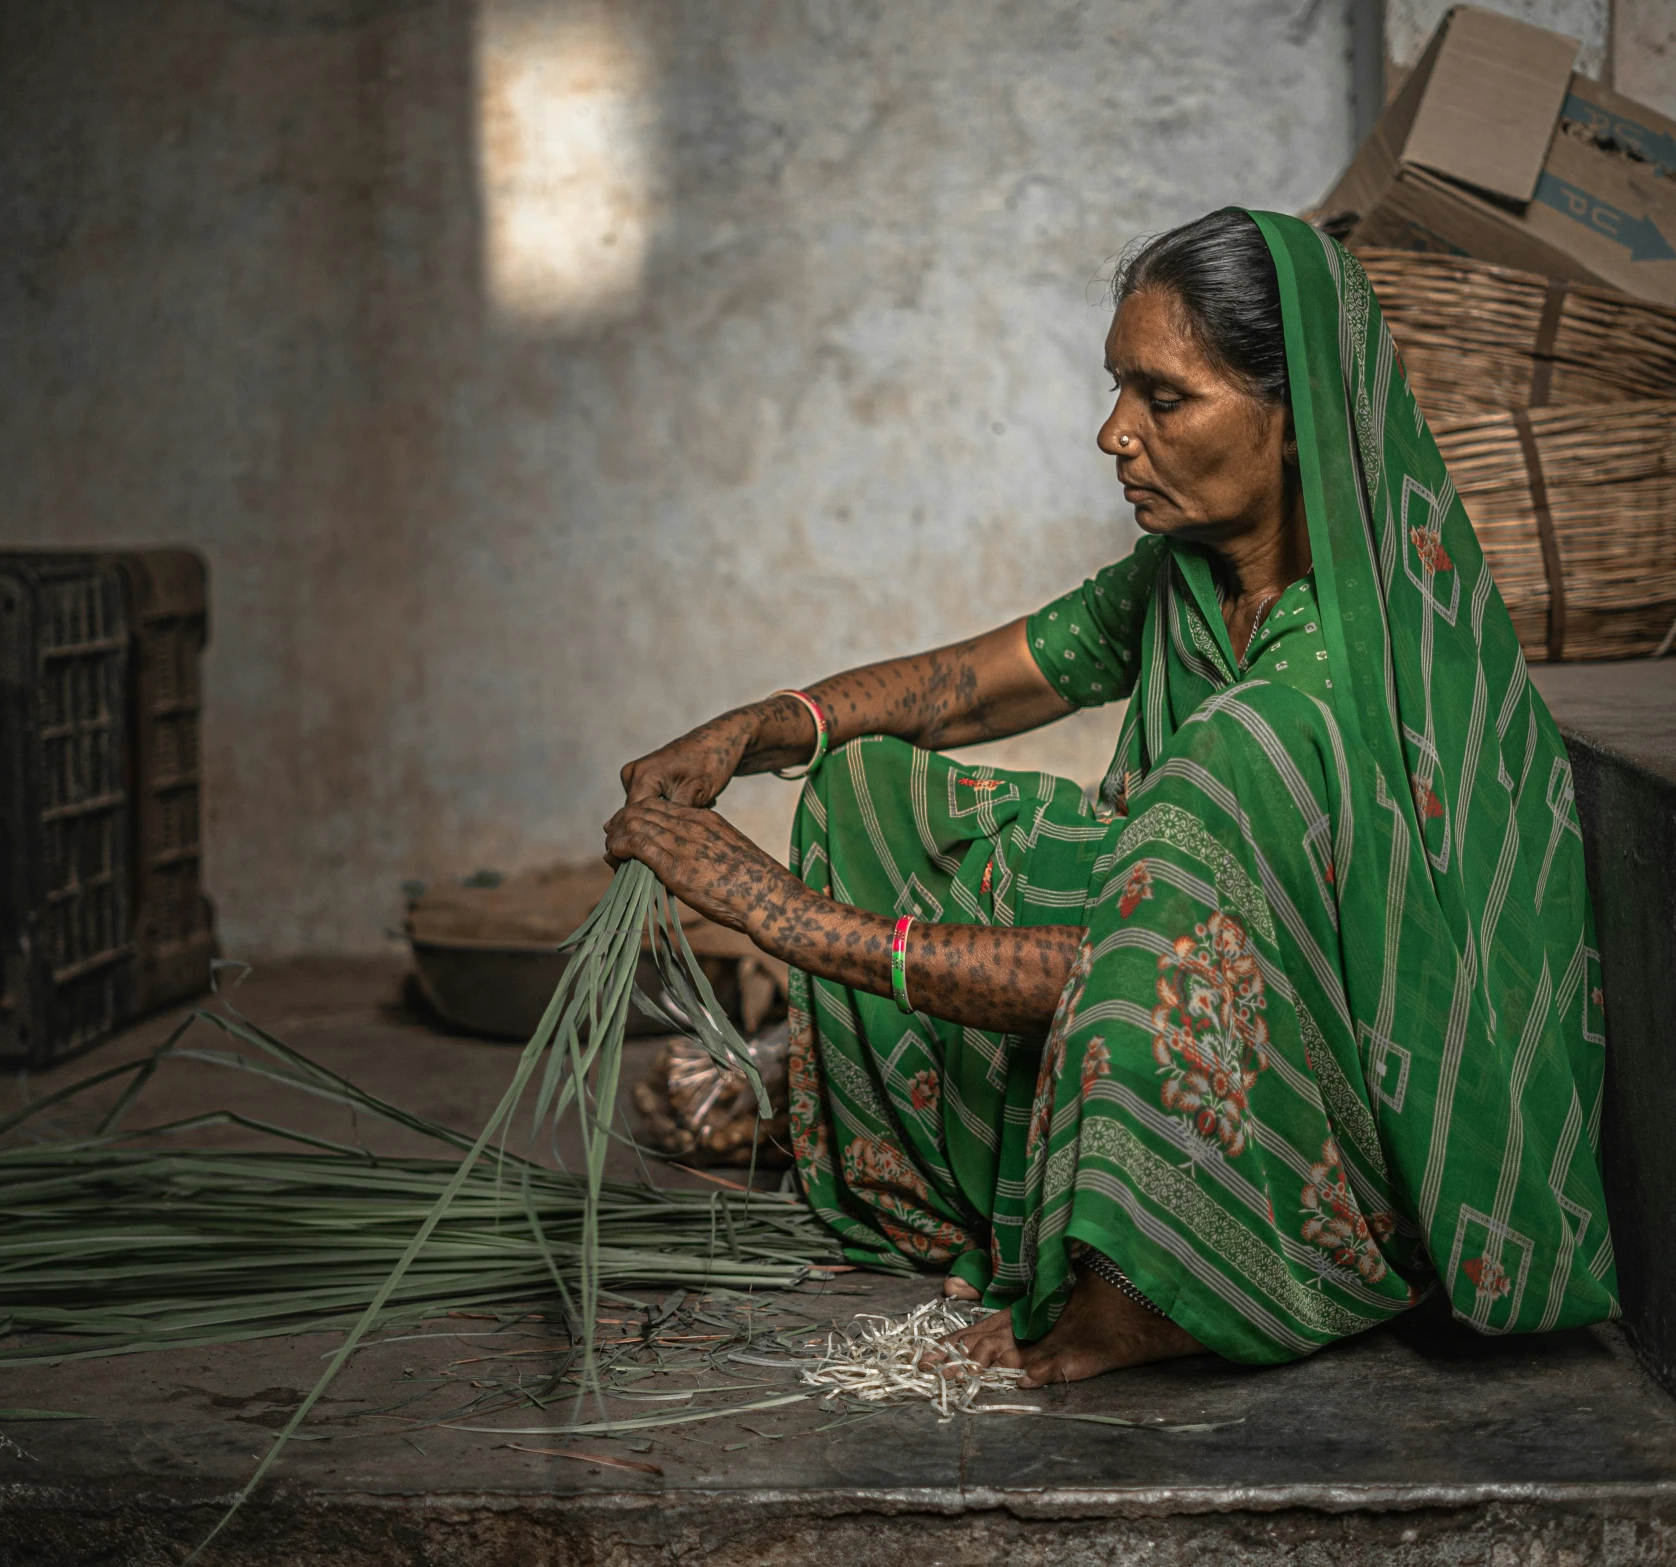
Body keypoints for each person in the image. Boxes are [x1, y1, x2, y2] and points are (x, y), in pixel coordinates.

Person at [603, 209, 1617, 1385]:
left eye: (1163, 399)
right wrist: (761, 728)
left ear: (1294, 425)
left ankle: (1141, 1295)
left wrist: (777, 915)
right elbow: (966, 691)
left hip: (1333, 1110)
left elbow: (1118, 967)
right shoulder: (1189, 577)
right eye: (1116, 390)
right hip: (1184, 946)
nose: (1113, 435)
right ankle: (956, 1204)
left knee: (1140, 875)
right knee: (868, 786)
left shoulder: (1311, 694)